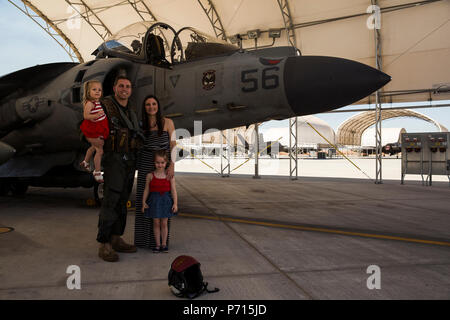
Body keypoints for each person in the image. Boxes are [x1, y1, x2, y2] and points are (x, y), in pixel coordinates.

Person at [96, 76, 142, 262]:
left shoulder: (131, 109)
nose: (125, 89)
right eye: (121, 86)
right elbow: (87, 128)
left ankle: (116, 237)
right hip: (114, 159)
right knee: (111, 200)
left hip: (129, 159)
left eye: (128, 86)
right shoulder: (105, 105)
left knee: (123, 201)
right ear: (114, 88)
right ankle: (104, 243)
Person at [135, 95, 176, 250]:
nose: (151, 107)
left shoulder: (168, 122)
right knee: (144, 201)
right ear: (144, 107)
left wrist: (172, 165)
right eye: (147, 104)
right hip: (146, 164)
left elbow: (173, 145)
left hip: (163, 166)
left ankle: (162, 243)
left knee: (165, 201)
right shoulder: (141, 125)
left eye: (153, 104)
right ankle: (143, 241)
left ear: (158, 106)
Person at [141, 150, 178, 252]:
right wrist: (143, 202)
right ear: (154, 163)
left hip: (166, 201)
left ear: (166, 163)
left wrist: (175, 203)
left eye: (162, 162)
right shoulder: (150, 176)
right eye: (157, 162)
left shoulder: (169, 175)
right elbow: (146, 189)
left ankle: (164, 244)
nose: (160, 165)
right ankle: (157, 245)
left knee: (164, 224)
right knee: (156, 223)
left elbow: (174, 190)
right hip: (154, 202)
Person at [79, 80, 109, 182]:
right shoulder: (90, 103)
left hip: (98, 128)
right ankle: (97, 171)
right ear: (88, 92)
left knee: (93, 147)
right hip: (93, 130)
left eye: (99, 90)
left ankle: (85, 162)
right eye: (94, 89)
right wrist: (96, 115)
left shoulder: (97, 102)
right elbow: (86, 116)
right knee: (99, 151)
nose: (97, 91)